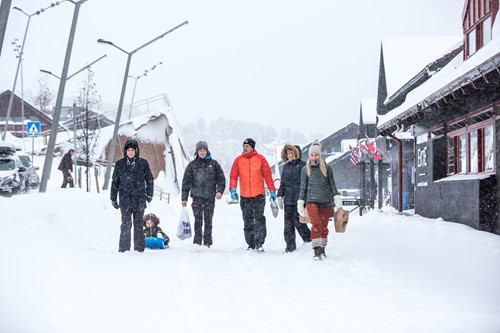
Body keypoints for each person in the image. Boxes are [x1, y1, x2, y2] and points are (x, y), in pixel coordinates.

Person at [229, 138, 277, 252]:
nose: (244, 148)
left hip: (258, 195)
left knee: (259, 219)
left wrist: (272, 190)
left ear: (252, 147)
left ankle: (259, 243)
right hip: (245, 196)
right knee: (247, 220)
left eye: (247, 146)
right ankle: (250, 244)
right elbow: (233, 176)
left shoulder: (261, 159)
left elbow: (268, 176)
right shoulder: (238, 160)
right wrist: (233, 188)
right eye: (243, 146)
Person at [297, 142, 343, 260]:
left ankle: (322, 249)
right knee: (316, 224)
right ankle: (316, 251)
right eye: (312, 155)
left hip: (326, 201)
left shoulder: (327, 168)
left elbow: (332, 185)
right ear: (309, 156)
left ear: (320, 155)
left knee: (324, 226)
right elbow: (303, 187)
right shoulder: (305, 170)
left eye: (316, 155)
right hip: (311, 201)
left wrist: (336, 197)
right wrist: (301, 201)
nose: (314, 157)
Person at [110, 139, 154, 253]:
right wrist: (113, 198)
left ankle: (139, 249)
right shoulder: (120, 164)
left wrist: (149, 194)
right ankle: (124, 249)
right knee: (126, 224)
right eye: (128, 150)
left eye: (132, 150)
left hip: (139, 199)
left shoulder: (143, 163)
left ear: (136, 151)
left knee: (139, 224)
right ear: (125, 151)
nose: (130, 152)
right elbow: (115, 182)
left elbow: (149, 179)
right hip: (125, 199)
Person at [181, 141, 226, 248]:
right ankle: (197, 243)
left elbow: (221, 180)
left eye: (204, 150)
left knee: (208, 222)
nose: (202, 152)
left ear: (207, 151)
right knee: (198, 221)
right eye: (200, 150)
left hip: (210, 198)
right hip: (197, 198)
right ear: (197, 152)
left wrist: (219, 191)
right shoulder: (192, 165)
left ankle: (207, 243)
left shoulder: (214, 164)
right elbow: (186, 182)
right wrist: (184, 198)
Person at [277, 144, 311, 252]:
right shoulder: (285, 167)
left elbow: (308, 183)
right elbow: (283, 183)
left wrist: (306, 199)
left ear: (297, 153)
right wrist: (279, 196)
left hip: (299, 200)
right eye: (288, 153)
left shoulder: (303, 166)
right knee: (288, 225)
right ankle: (290, 247)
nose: (289, 155)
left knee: (299, 222)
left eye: (291, 153)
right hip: (288, 201)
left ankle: (309, 240)